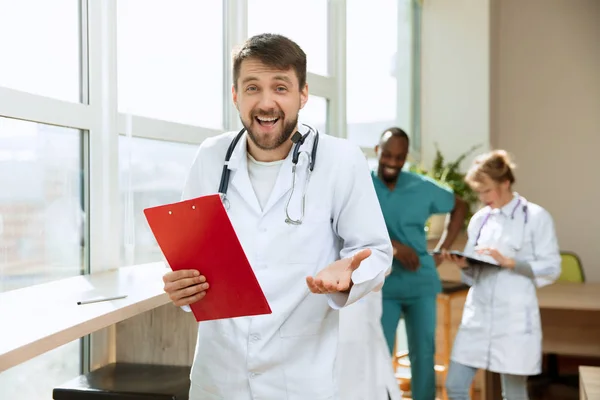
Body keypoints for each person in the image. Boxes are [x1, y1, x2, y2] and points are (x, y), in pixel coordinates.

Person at [161, 33, 393, 400]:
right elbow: (191, 258)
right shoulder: (210, 157)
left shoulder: (341, 159)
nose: (266, 102)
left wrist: (348, 274)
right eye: (252, 88)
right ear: (235, 95)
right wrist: (183, 288)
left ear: (303, 94)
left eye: (280, 87)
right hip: (219, 375)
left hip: (301, 378)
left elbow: (376, 253)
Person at [442, 150, 561, 400]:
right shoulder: (480, 220)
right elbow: (472, 276)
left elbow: (551, 268)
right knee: (454, 385)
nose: (483, 198)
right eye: (479, 192)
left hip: (514, 318)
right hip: (479, 315)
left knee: (514, 394)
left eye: (487, 191)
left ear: (505, 183)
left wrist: (510, 263)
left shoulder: (535, 217)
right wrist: (464, 265)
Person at [373, 127, 468, 400]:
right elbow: (347, 227)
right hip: (383, 284)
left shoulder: (420, 187)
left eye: (399, 157)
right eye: (388, 155)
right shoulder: (362, 185)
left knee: (424, 353)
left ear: (406, 158)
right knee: (379, 351)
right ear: (378, 151)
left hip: (420, 282)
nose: (392, 162)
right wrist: (393, 247)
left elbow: (459, 205)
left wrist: (443, 249)